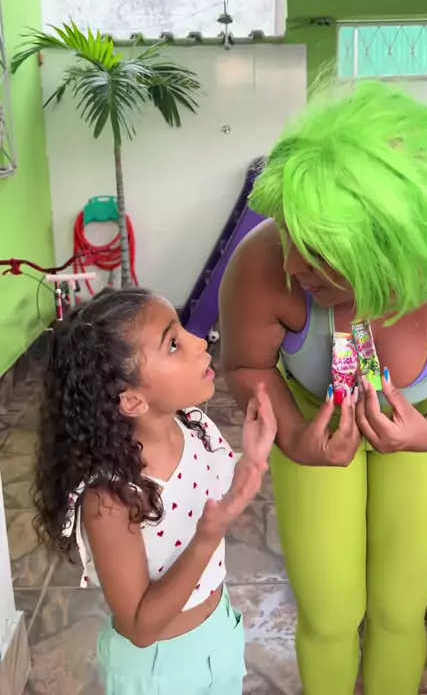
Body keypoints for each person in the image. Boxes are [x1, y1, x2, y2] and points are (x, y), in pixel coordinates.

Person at [220, 80, 427, 695]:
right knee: (330, 616)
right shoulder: (262, 262)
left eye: (319, 251)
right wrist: (294, 439)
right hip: (311, 424)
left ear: (395, 252)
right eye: (290, 234)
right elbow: (247, 369)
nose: (292, 264)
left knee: (398, 612)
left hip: (425, 425)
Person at [33, 286, 277, 695]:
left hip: (220, 634)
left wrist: (251, 459)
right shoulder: (111, 498)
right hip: (158, 671)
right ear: (132, 401)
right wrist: (207, 539)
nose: (200, 342)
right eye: (173, 344)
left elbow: (214, 499)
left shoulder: (195, 427)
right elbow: (139, 627)